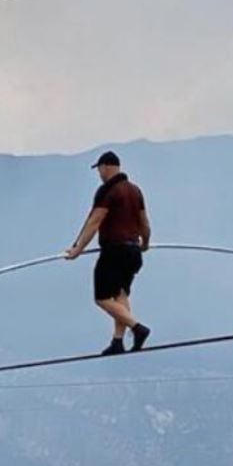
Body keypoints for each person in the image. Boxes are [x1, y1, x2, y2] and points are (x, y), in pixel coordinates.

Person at [65, 150, 152, 355]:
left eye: (100, 169)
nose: (99, 174)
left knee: (102, 298)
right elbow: (144, 223)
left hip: (114, 251)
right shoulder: (135, 191)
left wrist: (78, 249)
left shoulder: (108, 191)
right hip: (133, 251)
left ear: (105, 167)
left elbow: (95, 221)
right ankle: (117, 342)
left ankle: (137, 328)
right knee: (119, 294)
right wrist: (145, 243)